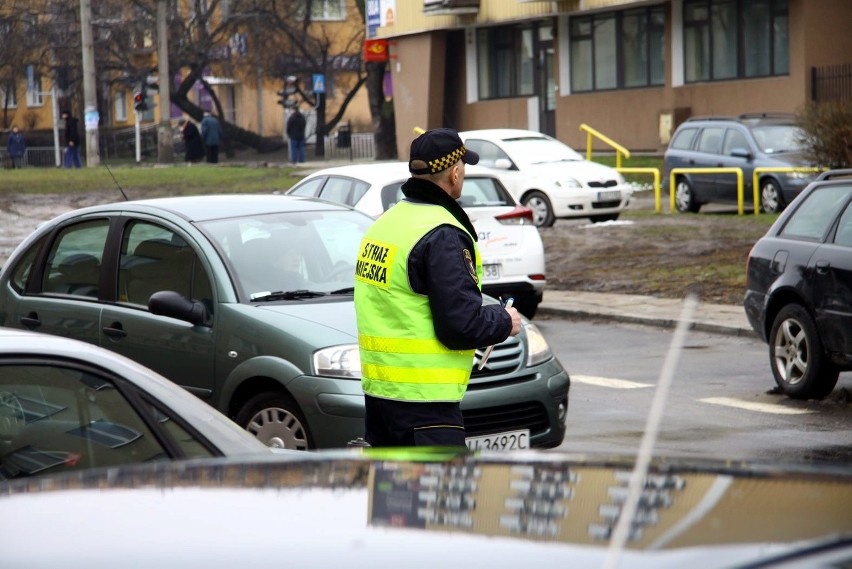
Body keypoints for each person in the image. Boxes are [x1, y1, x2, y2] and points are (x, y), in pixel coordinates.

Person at [353, 128, 522, 448]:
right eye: (464, 168)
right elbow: (460, 324)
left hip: (381, 399)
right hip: (426, 407)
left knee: (393, 496)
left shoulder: (386, 224)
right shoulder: (442, 233)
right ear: (455, 173)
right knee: (442, 498)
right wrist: (504, 321)